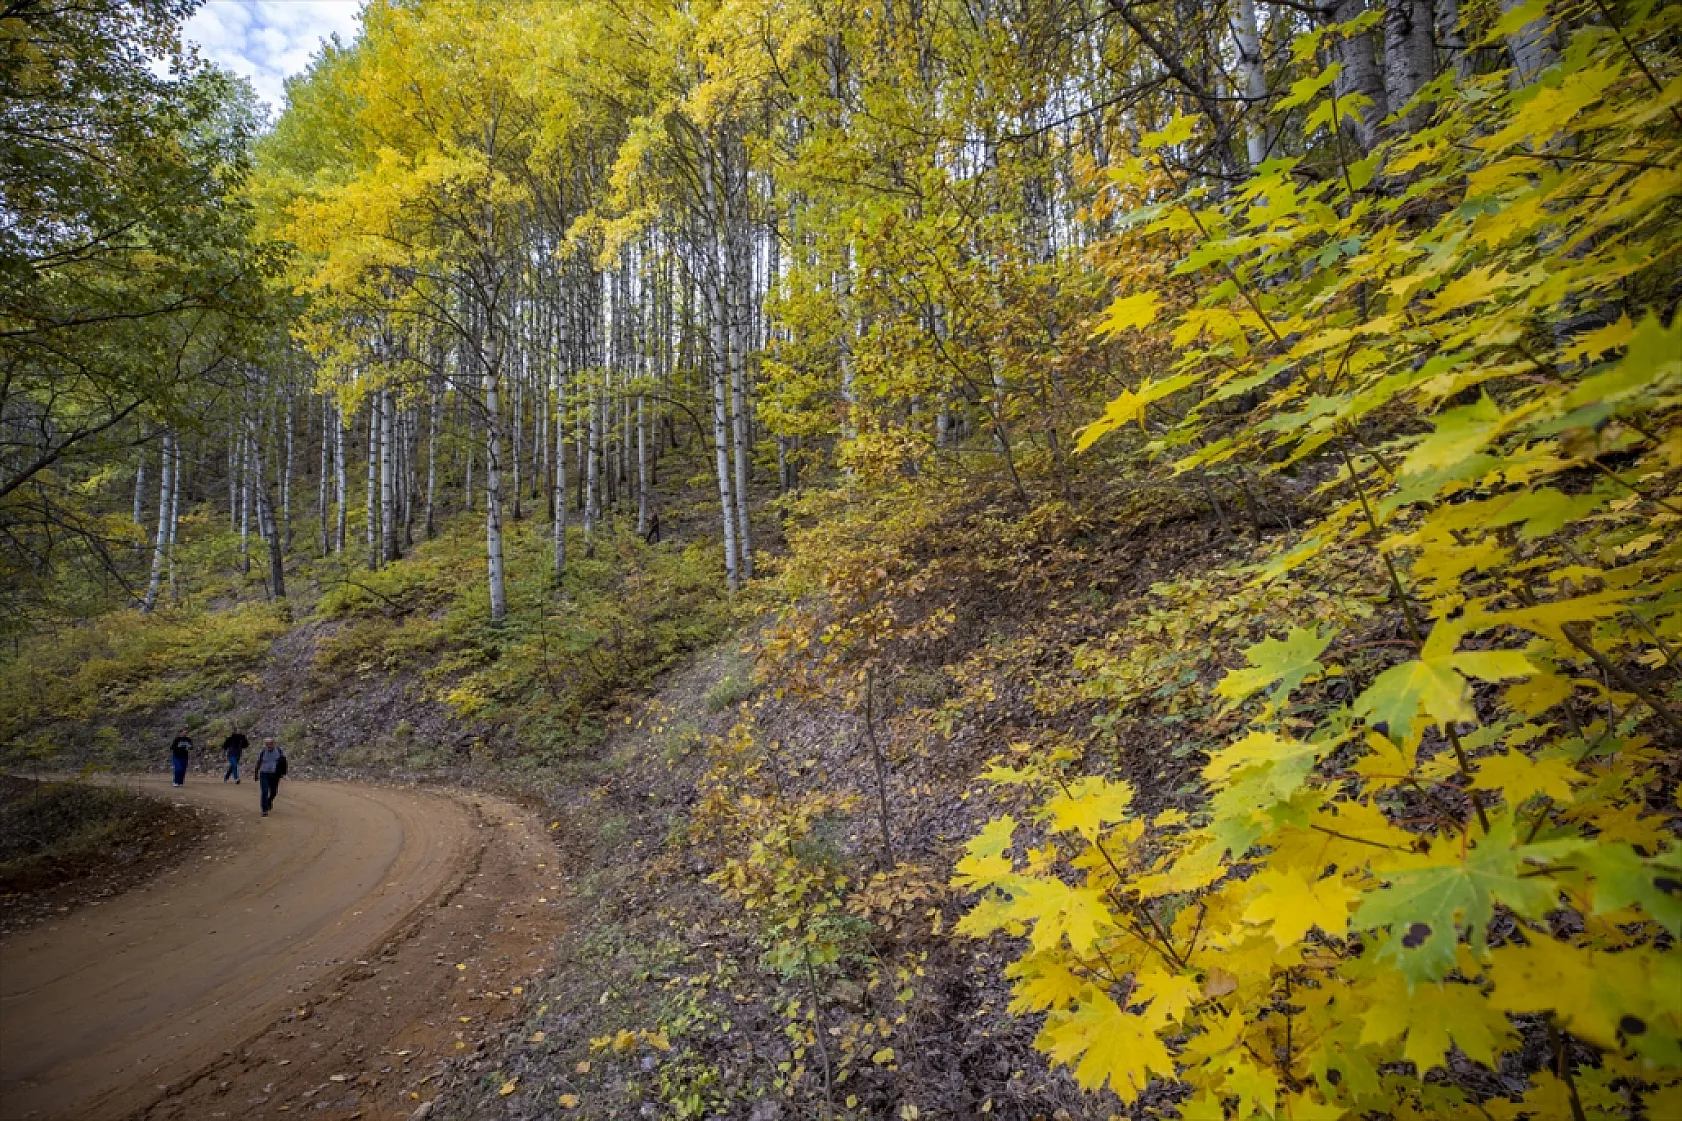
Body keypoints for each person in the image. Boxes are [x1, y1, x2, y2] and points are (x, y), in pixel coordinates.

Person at [254, 737, 287, 816]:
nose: (268, 746)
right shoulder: (263, 752)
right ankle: (264, 810)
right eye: (267, 744)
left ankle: (269, 801)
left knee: (274, 792)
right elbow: (258, 763)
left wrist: (283, 772)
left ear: (273, 744)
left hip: (275, 774)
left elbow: (283, 762)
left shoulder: (278, 751)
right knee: (264, 791)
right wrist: (256, 774)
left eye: (270, 744)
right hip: (264, 773)